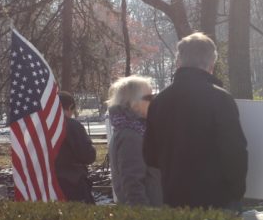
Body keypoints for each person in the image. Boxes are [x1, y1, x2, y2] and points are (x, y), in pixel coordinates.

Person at [143, 32, 248, 210]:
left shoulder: (159, 102)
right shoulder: (220, 99)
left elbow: (150, 156)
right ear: (211, 64)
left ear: (178, 62)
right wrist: (236, 193)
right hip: (217, 198)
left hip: (174, 196)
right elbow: (235, 151)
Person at [106, 75, 162, 206]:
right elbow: (132, 184)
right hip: (149, 215)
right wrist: (145, 218)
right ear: (132, 102)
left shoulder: (135, 129)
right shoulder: (130, 135)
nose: (154, 101)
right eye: (149, 98)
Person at [54, 93, 96, 203]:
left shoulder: (44, 126)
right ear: (70, 107)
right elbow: (88, 155)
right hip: (73, 181)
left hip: (49, 181)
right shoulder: (73, 126)